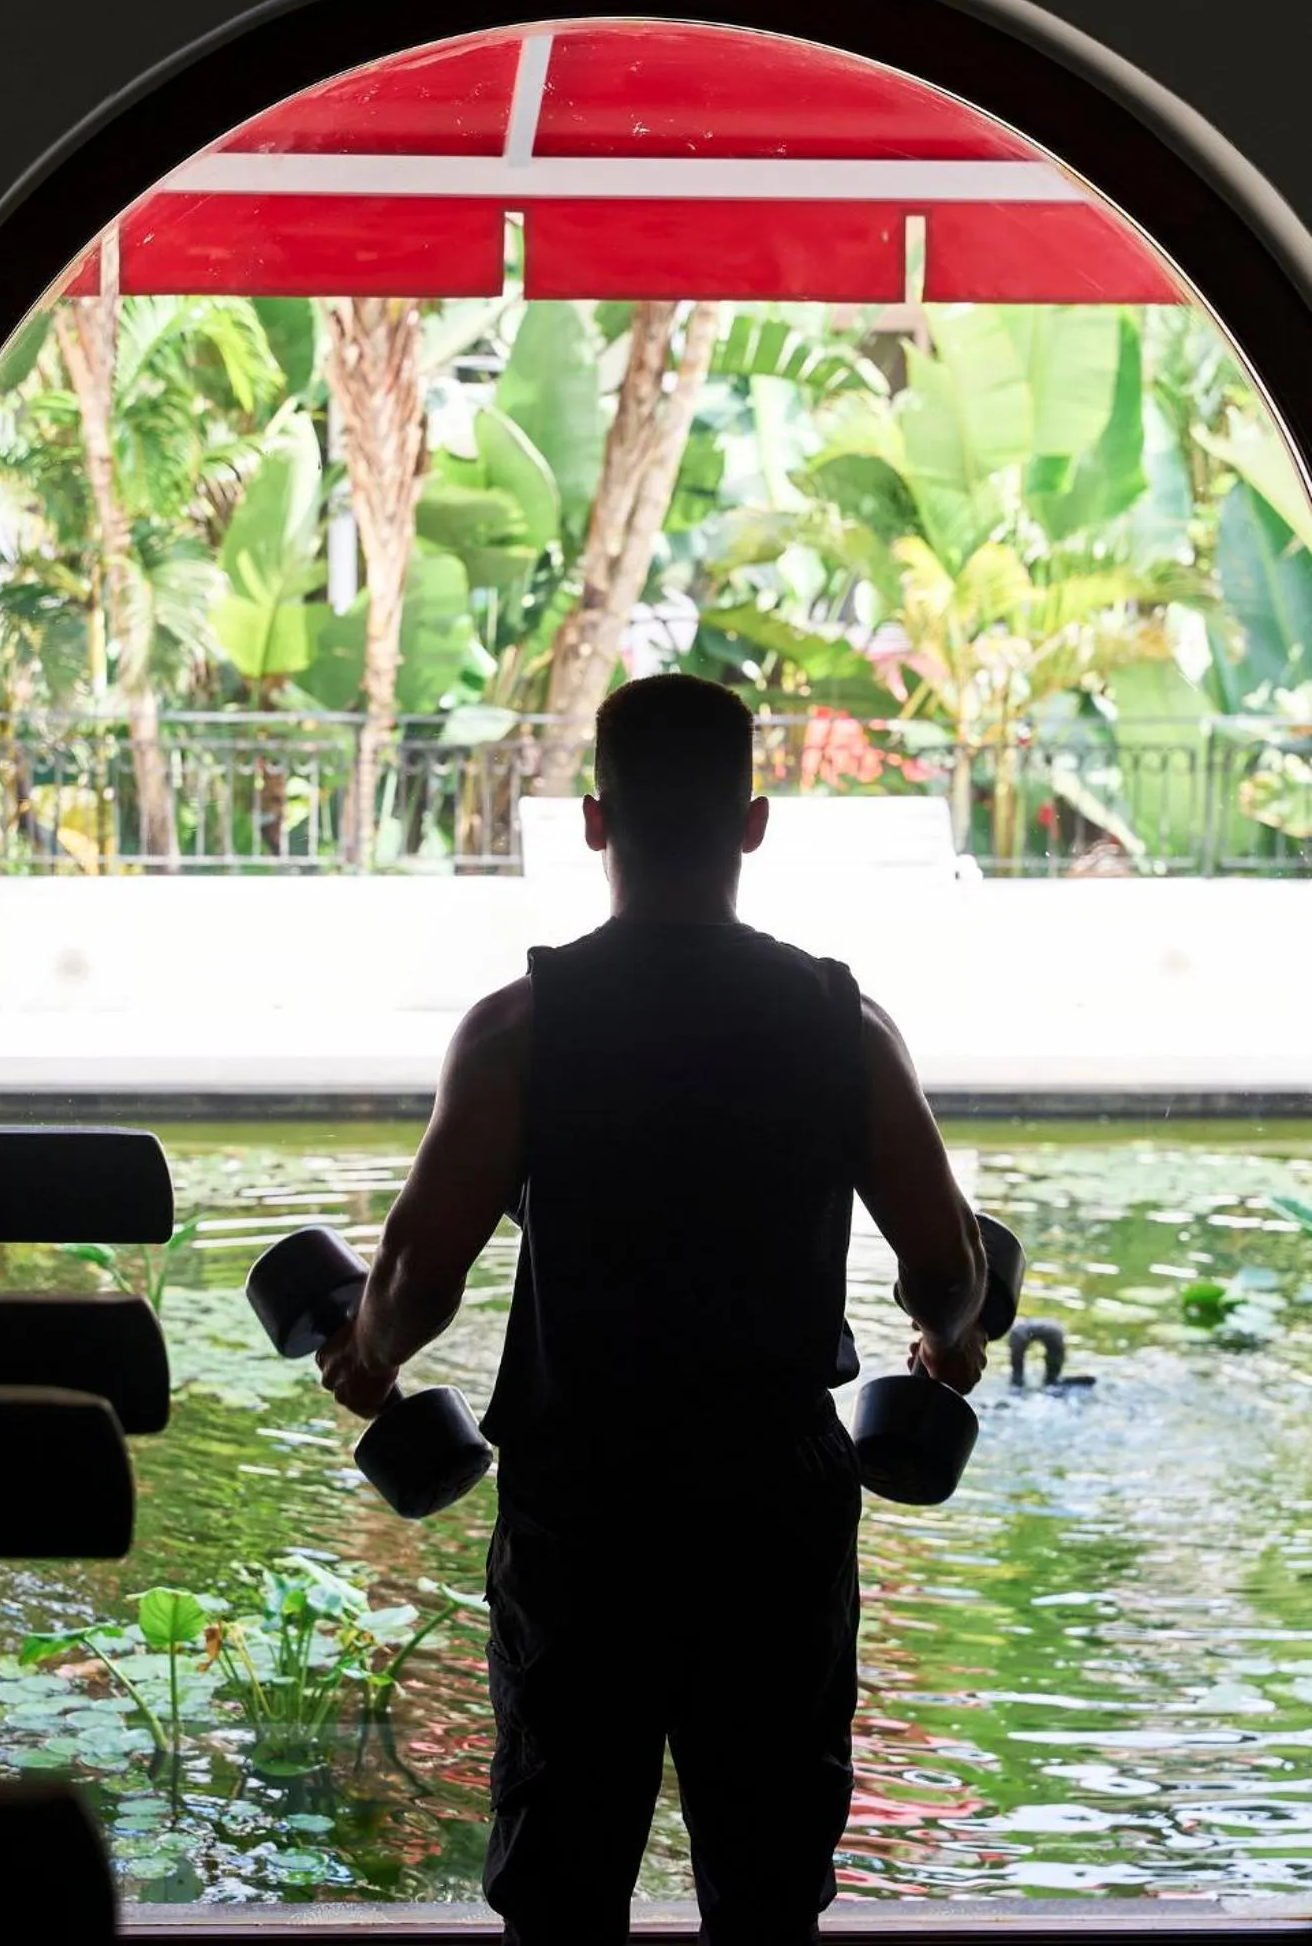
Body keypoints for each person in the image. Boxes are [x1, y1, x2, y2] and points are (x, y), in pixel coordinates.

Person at [317, 674, 987, 1946]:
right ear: (753, 823)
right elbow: (948, 1261)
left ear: (594, 820)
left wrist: (365, 1352)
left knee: (562, 1890)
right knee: (768, 1885)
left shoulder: (519, 1029)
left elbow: (415, 1275)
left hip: (588, 1507)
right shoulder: (845, 1023)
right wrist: (947, 1338)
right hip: (773, 1499)